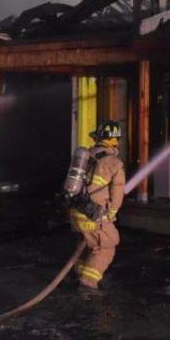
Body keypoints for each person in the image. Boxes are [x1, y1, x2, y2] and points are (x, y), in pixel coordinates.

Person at [68, 120, 126, 292]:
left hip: (75, 209)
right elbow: (117, 193)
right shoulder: (114, 163)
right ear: (115, 140)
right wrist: (111, 214)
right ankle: (87, 284)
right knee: (106, 246)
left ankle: (79, 274)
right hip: (93, 213)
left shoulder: (87, 155)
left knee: (86, 242)